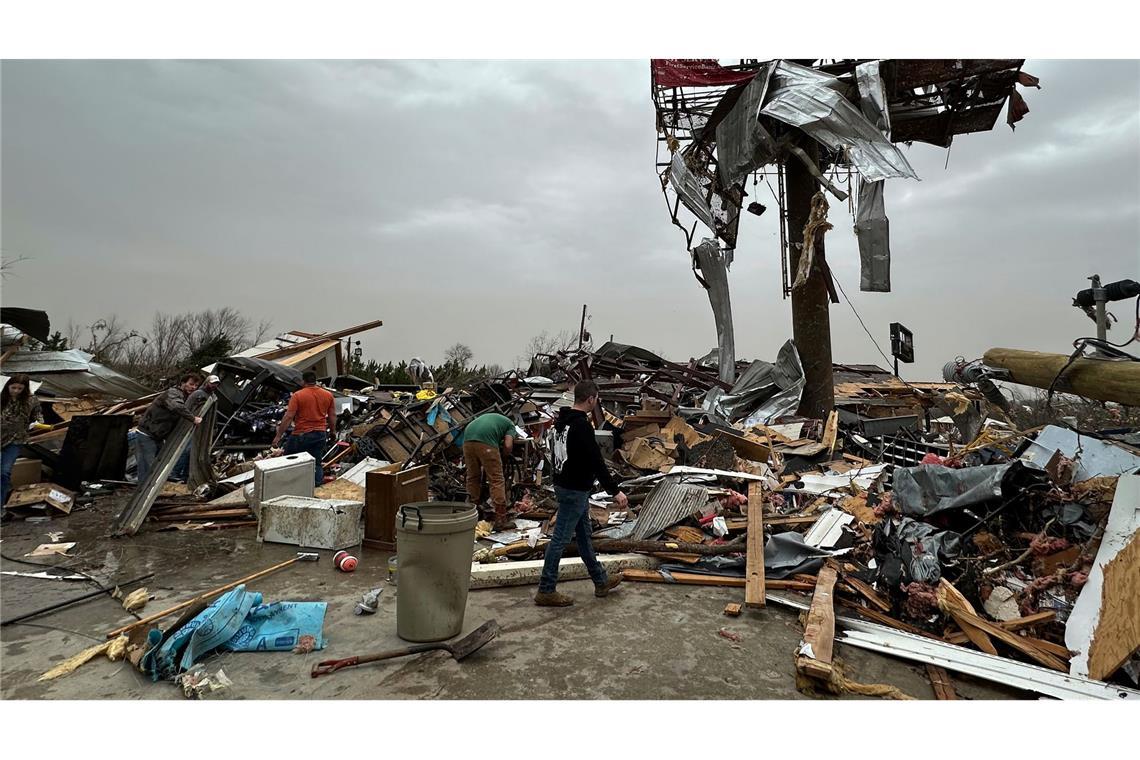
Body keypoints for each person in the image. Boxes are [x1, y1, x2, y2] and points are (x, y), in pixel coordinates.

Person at [535, 380, 629, 607]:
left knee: (585, 537)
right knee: (559, 540)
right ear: (591, 399)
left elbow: (556, 455)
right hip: (575, 489)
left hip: (565, 485)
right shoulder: (581, 426)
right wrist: (615, 491)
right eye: (596, 399)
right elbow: (596, 461)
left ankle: (600, 581)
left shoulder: (560, 423)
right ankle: (546, 590)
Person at [135, 372, 204, 484]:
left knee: (159, 466)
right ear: (183, 383)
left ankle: (152, 492)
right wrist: (193, 419)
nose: (193, 387)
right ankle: (142, 494)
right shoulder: (173, 393)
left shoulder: (186, 398)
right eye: (191, 384)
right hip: (147, 434)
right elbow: (177, 406)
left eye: (196, 386)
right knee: (147, 467)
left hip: (158, 436)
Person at [271, 370, 336, 486]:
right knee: (316, 463)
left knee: (287, 460)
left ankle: (285, 485)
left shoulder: (298, 395)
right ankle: (316, 487)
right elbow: (332, 416)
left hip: (301, 434)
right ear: (315, 381)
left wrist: (278, 436)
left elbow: (289, 416)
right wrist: (333, 432)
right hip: (320, 434)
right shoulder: (328, 395)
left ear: (303, 381)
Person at [462, 412, 517, 529]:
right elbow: (507, 445)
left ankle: (471, 514)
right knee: (496, 480)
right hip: (486, 443)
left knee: (473, 478)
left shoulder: (491, 418)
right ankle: (501, 519)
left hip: (467, 440)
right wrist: (504, 456)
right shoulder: (510, 425)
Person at [2, 374, 44, 505]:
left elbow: (38, 414)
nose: (15, 391)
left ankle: (1, 506)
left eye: (19, 388)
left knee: (4, 472)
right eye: (13, 387)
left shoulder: (31, 400)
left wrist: (37, 423)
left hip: (16, 439)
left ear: (24, 389)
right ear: (8, 386)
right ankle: (8, 493)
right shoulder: (2, 398)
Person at [171, 374, 220, 482]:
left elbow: (213, 414)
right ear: (207, 383)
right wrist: (188, 422)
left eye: (216, 384)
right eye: (212, 383)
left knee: (194, 452)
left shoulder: (213, 397)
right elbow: (187, 408)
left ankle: (186, 475)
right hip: (193, 426)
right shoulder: (198, 394)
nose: (214, 386)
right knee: (187, 450)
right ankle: (175, 473)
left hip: (204, 428)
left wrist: (214, 427)